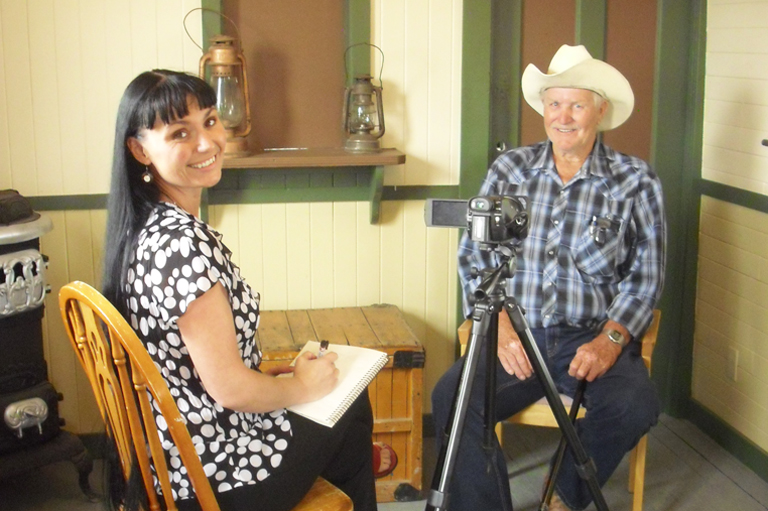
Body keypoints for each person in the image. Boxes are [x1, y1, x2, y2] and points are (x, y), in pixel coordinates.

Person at [101, 69, 380, 511]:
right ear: (139, 149)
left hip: (173, 457)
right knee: (349, 395)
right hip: (214, 475)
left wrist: (269, 379)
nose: (206, 144)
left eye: (209, 122)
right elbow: (229, 389)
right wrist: (301, 388)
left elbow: (190, 367)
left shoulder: (145, 228)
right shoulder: (181, 244)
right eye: (179, 133)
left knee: (337, 401)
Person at [431, 45, 666, 511]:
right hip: (516, 335)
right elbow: (473, 256)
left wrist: (611, 341)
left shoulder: (636, 181)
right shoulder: (509, 170)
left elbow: (646, 278)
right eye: (554, 104)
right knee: (453, 399)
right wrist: (496, 329)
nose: (564, 117)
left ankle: (562, 495)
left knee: (634, 404)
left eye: (577, 104)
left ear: (600, 110)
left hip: (590, 337)